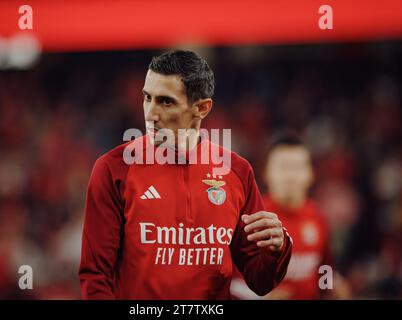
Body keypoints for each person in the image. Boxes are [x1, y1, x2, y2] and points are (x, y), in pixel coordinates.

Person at [78, 50, 292, 299]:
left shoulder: (237, 171)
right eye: (147, 97)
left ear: (202, 108)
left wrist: (278, 248)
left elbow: (260, 281)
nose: (150, 114)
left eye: (166, 101)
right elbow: (96, 276)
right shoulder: (113, 170)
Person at [230, 133, 347, 299]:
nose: (291, 175)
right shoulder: (249, 219)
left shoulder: (318, 217)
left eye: (298, 167)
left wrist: (332, 285)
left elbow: (324, 270)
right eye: (283, 166)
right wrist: (263, 297)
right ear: (266, 172)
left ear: (311, 174)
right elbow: (231, 282)